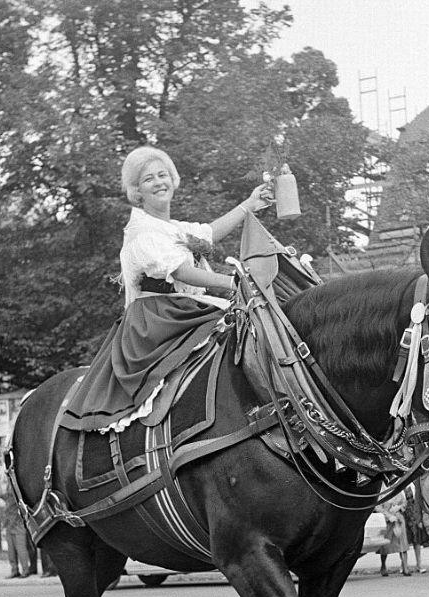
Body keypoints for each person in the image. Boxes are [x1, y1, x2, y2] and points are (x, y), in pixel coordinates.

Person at [62, 146, 273, 433]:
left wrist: (249, 203)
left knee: (246, 324)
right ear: (138, 191)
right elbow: (183, 272)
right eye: (149, 179)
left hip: (180, 308)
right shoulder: (143, 230)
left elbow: (208, 233)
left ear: (173, 180)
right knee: (236, 326)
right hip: (155, 318)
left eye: (163, 175)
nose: (159, 182)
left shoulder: (170, 227)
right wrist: (237, 282)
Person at [0, 474, 31, 578]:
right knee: (11, 551)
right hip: (9, 526)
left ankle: (25, 571)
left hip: (18, 526)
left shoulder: (18, 496)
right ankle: (15, 571)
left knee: (21, 550)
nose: (8, 486)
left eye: (10, 484)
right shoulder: (8, 495)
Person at [376, 489, 411, 576]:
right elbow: (377, 506)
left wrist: (399, 507)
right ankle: (383, 566)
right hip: (387, 521)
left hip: (399, 520)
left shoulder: (397, 490)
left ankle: (405, 567)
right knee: (385, 546)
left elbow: (404, 502)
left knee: (403, 544)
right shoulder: (381, 492)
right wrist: (388, 515)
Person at [404, 483, 427, 573]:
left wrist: (419, 519)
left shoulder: (416, 486)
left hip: (414, 516)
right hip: (404, 516)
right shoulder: (400, 485)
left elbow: (420, 502)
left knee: (417, 541)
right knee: (404, 543)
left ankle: (419, 564)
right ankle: (404, 566)